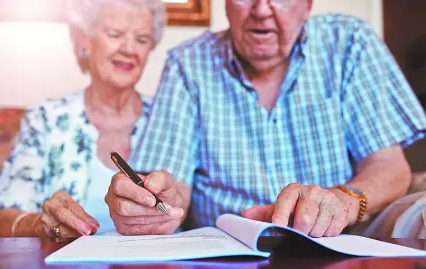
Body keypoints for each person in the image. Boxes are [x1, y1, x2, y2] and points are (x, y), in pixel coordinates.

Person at [105, 0, 426, 237]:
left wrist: (341, 203)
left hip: (341, 247)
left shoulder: (349, 43)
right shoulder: (187, 63)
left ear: (308, 5)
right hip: (226, 254)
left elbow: (390, 168)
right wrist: (155, 205)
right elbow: (175, 191)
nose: (261, 9)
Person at [0, 0, 166, 237]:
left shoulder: (169, 117)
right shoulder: (47, 119)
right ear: (83, 39)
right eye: (115, 34)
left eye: (141, 39)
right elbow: (0, 217)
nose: (129, 49)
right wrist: (41, 224)